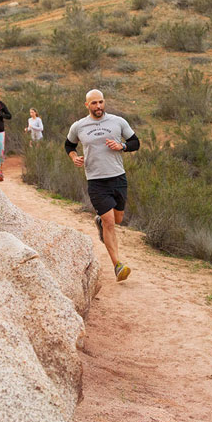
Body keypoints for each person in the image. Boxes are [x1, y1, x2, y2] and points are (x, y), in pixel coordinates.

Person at [65, 89, 140, 282]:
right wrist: (74, 157)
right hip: (96, 180)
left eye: (100, 102)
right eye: (94, 103)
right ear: (87, 105)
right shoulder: (79, 126)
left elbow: (135, 142)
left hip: (118, 177)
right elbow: (69, 145)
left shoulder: (118, 121)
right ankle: (117, 265)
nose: (98, 106)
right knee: (109, 222)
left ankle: (101, 222)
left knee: (117, 219)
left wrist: (122, 146)